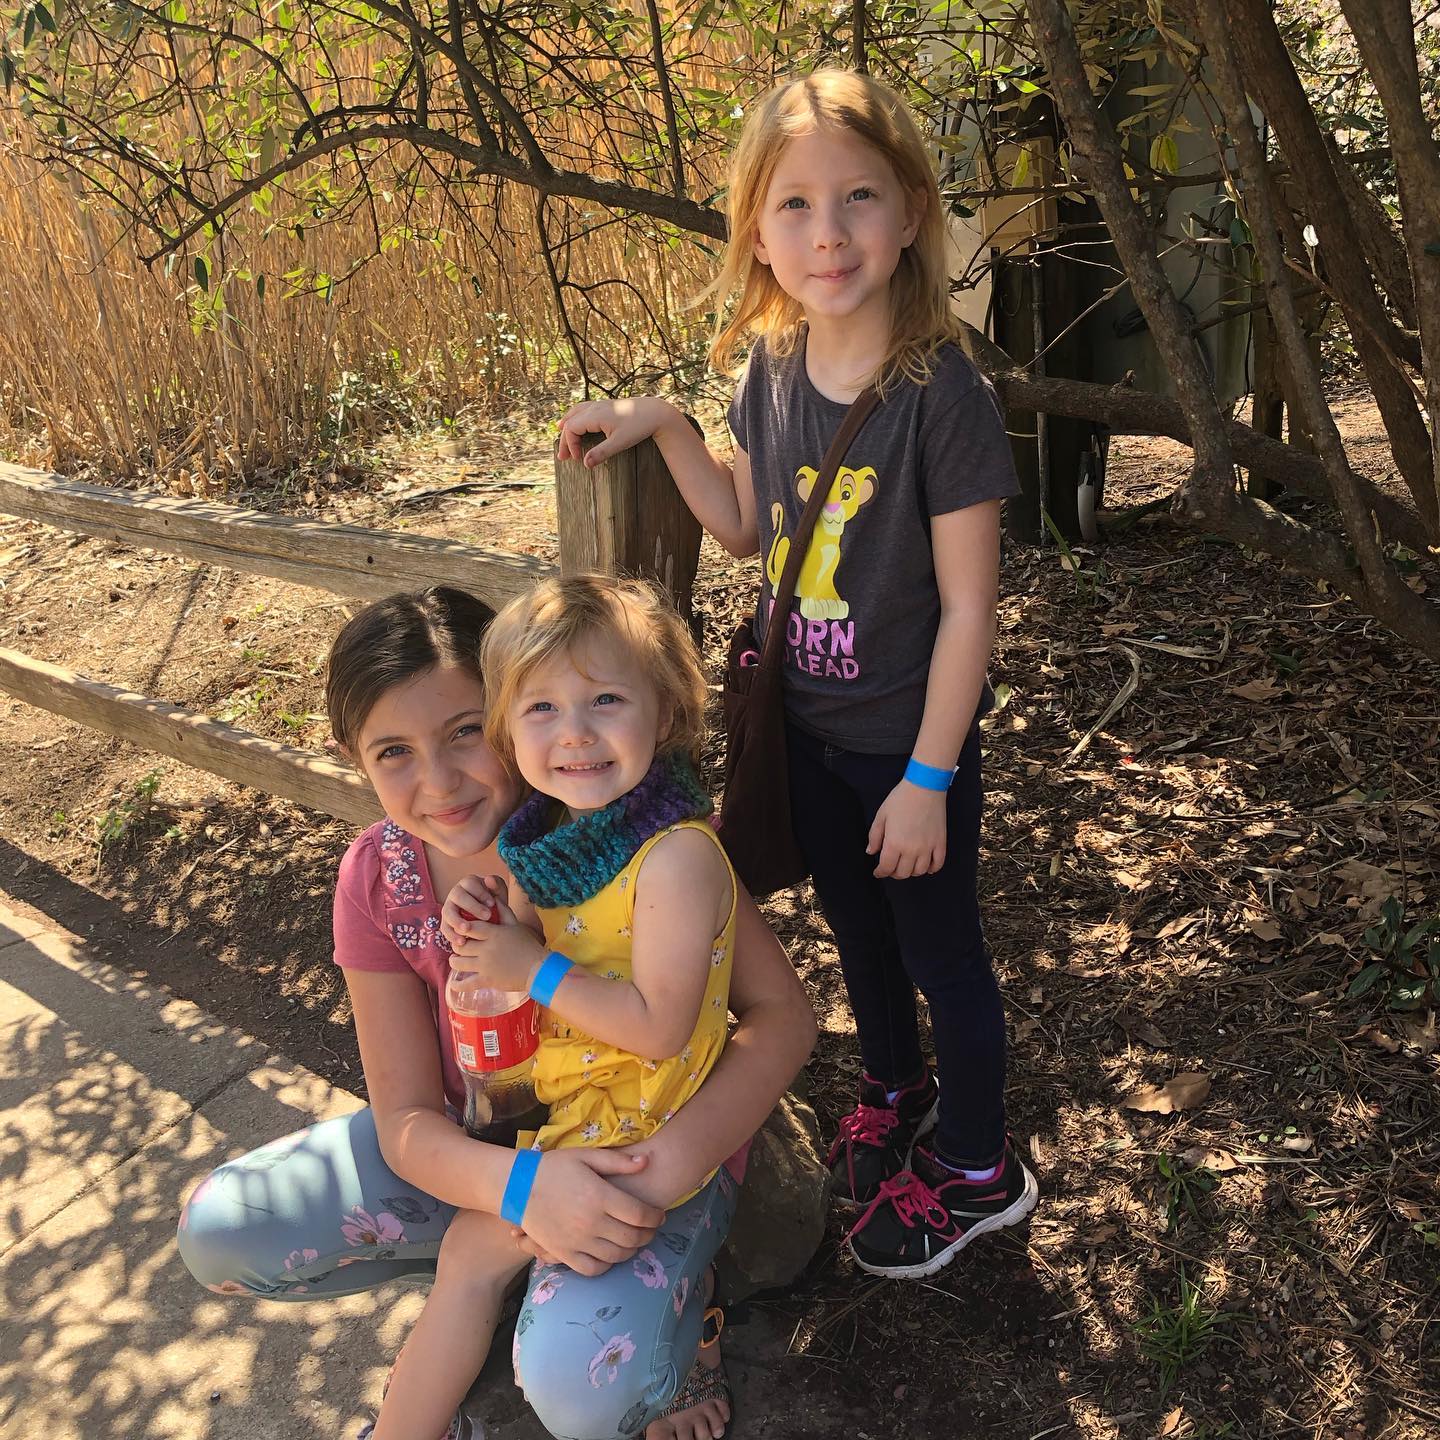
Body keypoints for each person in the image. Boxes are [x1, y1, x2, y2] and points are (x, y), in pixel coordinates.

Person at [557, 68, 1037, 1281]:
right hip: (807, 733)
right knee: (856, 939)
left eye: (860, 199)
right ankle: (892, 1082)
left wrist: (928, 776)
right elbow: (744, 528)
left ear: (913, 213)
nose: (828, 235)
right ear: (757, 232)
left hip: (904, 748)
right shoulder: (770, 372)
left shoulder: (944, 396)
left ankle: (979, 1167)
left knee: (939, 952)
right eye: (795, 206)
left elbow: (973, 609)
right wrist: (667, 425)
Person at [176, 585, 817, 1440]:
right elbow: (405, 1119)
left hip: (637, 1146)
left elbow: (782, 1014)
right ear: (352, 758)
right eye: (393, 751)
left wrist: (670, 1162)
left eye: (466, 732)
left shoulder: (616, 832)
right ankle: (512, 1266)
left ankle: (681, 1312)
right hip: (487, 1148)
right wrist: (518, 1193)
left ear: (511, 708)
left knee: (589, 1393)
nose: (438, 782)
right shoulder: (379, 876)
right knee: (219, 1233)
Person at [372, 573, 742, 1440]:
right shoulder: (551, 839)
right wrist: (486, 918)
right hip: (571, 1123)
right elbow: (527, 942)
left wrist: (530, 967)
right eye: (540, 709)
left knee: (563, 1360)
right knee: (472, 1257)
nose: (574, 734)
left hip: (645, 1133)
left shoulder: (676, 857)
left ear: (668, 711)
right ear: (509, 729)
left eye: (606, 700)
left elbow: (659, 1025)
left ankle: (696, 1322)